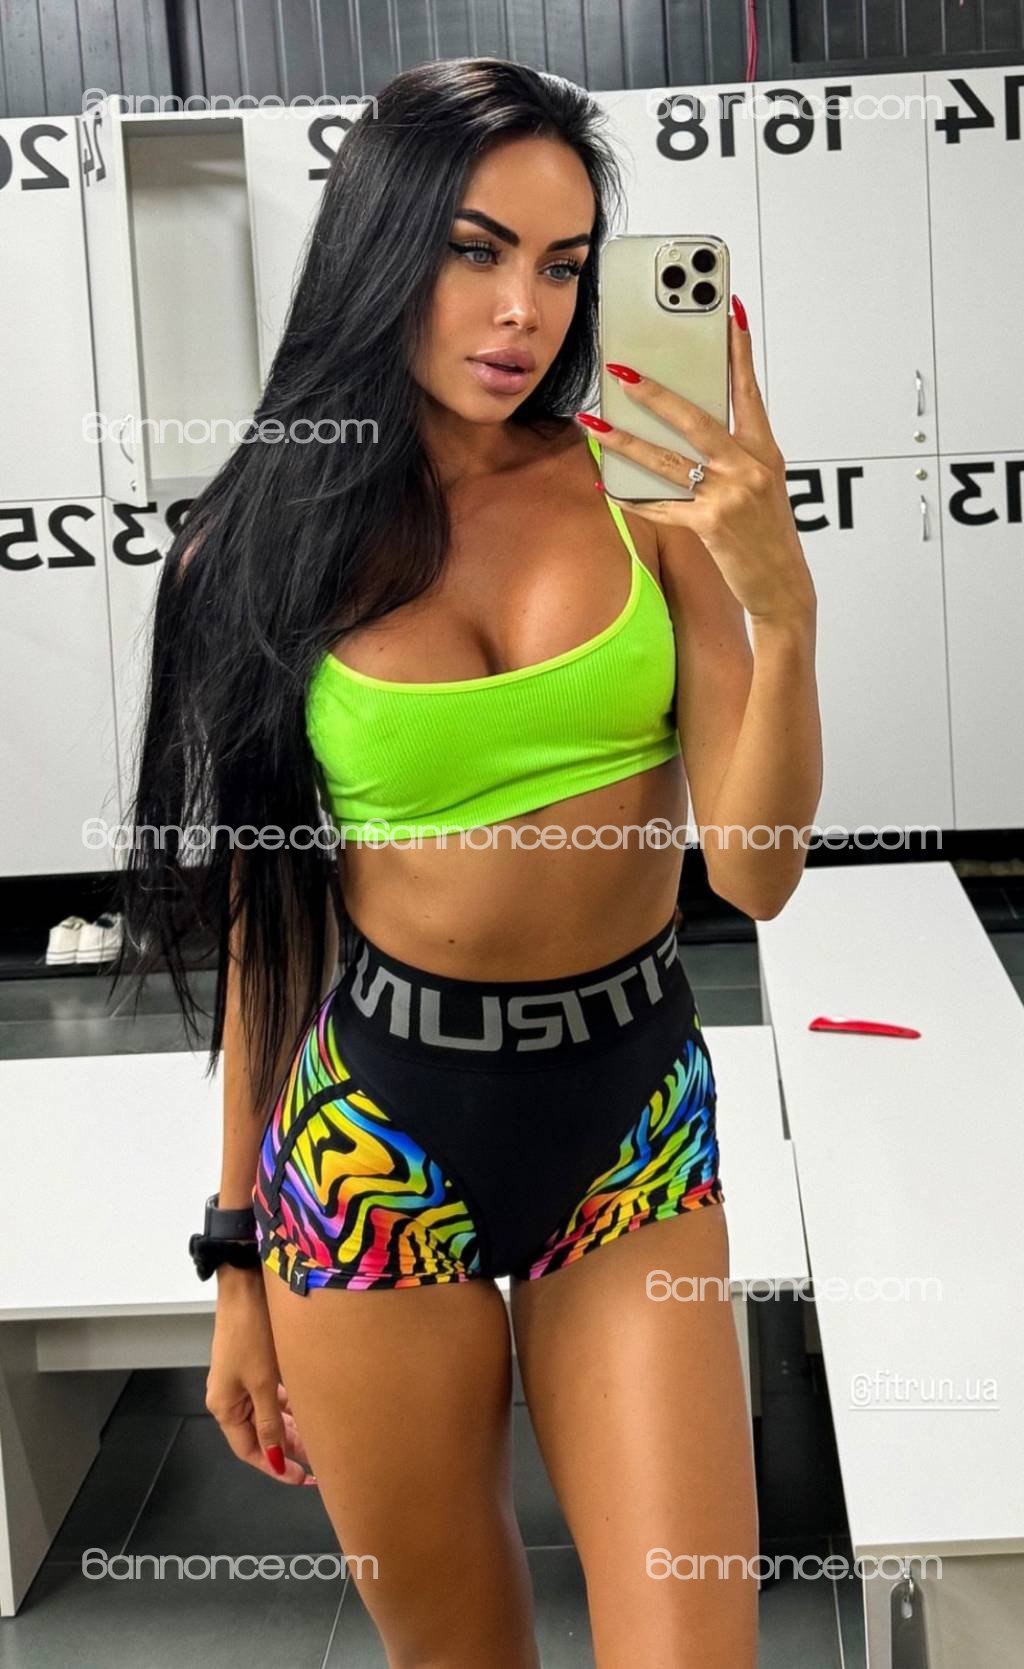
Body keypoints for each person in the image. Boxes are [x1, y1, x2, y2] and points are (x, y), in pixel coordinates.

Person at [114, 55, 821, 1669]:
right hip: (372, 1137)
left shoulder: (649, 498)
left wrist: (779, 604)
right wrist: (236, 1259)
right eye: (476, 250)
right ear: (385, 242)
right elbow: (268, 930)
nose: (524, 311)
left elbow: (759, 871)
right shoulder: (255, 546)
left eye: (565, 266)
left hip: (630, 1126)